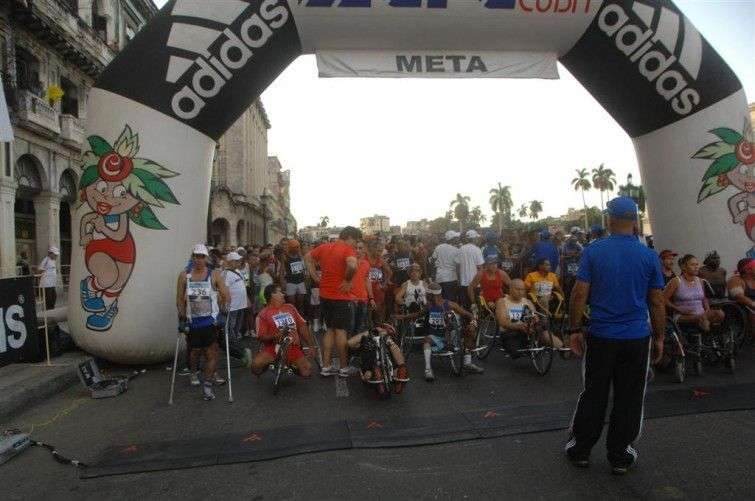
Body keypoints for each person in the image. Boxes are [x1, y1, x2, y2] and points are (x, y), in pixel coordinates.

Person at [566, 196, 666, 475]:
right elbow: (657, 302)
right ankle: (620, 454)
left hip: (601, 335)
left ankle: (581, 450)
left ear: (609, 220)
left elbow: (579, 293)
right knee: (630, 396)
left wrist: (574, 329)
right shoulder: (648, 256)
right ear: (634, 221)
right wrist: (659, 337)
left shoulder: (594, 251)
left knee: (594, 393)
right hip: (637, 337)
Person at [305, 226, 361, 377]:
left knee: (330, 330)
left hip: (325, 295)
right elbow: (352, 265)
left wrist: (314, 276)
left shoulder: (324, 247)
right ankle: (343, 368)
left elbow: (308, 257)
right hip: (341, 297)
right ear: (350, 237)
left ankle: (326, 366)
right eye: (356, 240)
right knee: (341, 331)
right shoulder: (348, 249)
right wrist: (348, 280)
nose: (356, 244)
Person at [177, 244, 230, 401]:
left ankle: (207, 384)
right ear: (192, 257)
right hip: (192, 321)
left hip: (210, 321)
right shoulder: (184, 275)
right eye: (195, 256)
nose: (198, 259)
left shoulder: (214, 275)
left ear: (206, 258)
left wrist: (223, 314)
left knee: (211, 352)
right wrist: (181, 318)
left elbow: (226, 295)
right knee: (194, 351)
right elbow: (179, 299)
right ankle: (193, 372)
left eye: (201, 256)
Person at [418, 282, 483, 381]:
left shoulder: (450, 304)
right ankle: (428, 369)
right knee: (426, 340)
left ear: (432, 295)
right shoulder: (429, 306)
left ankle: (467, 363)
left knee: (470, 331)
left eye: (428, 295)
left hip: (453, 335)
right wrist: (402, 317)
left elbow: (468, 315)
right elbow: (417, 315)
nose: (426, 296)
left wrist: (473, 324)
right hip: (437, 337)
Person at [251, 284, 316, 378]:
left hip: (293, 346)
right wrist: (276, 336)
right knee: (255, 366)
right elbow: (261, 337)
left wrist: (311, 345)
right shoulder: (263, 314)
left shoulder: (290, 308)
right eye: (280, 292)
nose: (283, 294)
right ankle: (270, 364)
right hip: (273, 348)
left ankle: (291, 365)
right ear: (272, 295)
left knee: (307, 372)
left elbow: (302, 327)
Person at [495, 278, 564, 357]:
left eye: (522, 290)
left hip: (529, 331)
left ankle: (562, 348)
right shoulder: (502, 301)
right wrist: (517, 326)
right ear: (510, 289)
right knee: (516, 351)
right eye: (517, 289)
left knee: (544, 331)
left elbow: (535, 317)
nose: (520, 292)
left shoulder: (527, 302)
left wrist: (533, 322)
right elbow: (502, 321)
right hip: (511, 332)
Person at [664, 254, 725, 332]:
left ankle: (712, 337)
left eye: (697, 264)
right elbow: (663, 299)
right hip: (683, 315)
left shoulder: (700, 281)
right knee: (702, 319)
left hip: (701, 313)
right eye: (692, 265)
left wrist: (707, 308)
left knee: (720, 314)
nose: (696, 267)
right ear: (684, 267)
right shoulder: (676, 281)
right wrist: (678, 309)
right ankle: (709, 335)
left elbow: (703, 298)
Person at [347, 323, 409, 393]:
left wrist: (388, 338)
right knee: (369, 373)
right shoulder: (366, 340)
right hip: (370, 365)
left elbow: (395, 348)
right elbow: (350, 343)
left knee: (392, 345)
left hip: (389, 363)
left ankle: (401, 369)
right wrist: (371, 332)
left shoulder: (389, 341)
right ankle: (374, 373)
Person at [221, 252, 252, 367]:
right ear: (230, 262)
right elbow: (224, 291)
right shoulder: (225, 274)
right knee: (230, 329)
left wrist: (247, 299)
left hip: (241, 305)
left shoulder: (238, 272)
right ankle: (235, 349)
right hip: (232, 307)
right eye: (236, 261)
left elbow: (243, 287)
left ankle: (235, 347)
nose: (239, 262)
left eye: (239, 260)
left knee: (236, 329)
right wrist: (225, 304)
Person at [455, 230, 484, 309]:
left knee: (466, 307)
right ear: (474, 239)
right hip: (475, 284)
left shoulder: (461, 249)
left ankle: (467, 321)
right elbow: (480, 268)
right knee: (477, 307)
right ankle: (476, 321)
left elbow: (457, 265)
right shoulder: (477, 250)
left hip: (463, 283)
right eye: (476, 238)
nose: (477, 239)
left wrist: (458, 279)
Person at [351, 240, 373, 337]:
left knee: (359, 327)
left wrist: (371, 298)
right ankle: (348, 351)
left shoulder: (367, 264)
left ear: (364, 250)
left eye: (360, 248)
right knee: (350, 327)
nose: (357, 250)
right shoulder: (349, 263)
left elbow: (367, 281)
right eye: (355, 248)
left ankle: (356, 350)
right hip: (350, 300)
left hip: (363, 299)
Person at [727, 258, 755, 337]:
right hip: (743, 310)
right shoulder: (736, 280)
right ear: (748, 270)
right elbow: (739, 297)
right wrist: (753, 304)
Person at [366, 238, 392, 324]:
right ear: (372, 248)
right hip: (366, 290)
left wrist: (384, 284)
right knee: (367, 315)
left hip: (378, 291)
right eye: (377, 251)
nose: (379, 253)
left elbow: (389, 273)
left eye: (381, 251)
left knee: (378, 314)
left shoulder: (380, 260)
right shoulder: (365, 259)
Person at [431, 230, 461, 301]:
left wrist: (433, 274)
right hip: (451, 278)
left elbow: (433, 260)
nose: (457, 239)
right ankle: (450, 312)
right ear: (452, 239)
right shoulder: (456, 250)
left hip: (439, 278)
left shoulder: (438, 247)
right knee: (450, 301)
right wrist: (459, 279)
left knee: (441, 300)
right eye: (456, 238)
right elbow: (458, 266)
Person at [280, 239, 308, 313]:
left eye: (298, 247)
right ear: (291, 248)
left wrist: (305, 278)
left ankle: (300, 316)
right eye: (295, 247)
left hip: (300, 281)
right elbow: (282, 271)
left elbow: (304, 267)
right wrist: (282, 282)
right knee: (291, 303)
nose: (297, 249)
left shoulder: (300, 255)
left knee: (300, 302)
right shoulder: (285, 256)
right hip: (290, 282)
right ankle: (292, 315)